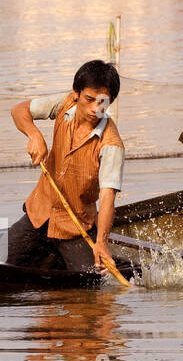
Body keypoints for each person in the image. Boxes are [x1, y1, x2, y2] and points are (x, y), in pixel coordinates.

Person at [7, 60, 125, 273]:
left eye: (102, 102)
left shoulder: (111, 144)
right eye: (89, 99)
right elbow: (18, 110)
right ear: (76, 94)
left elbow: (108, 197)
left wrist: (102, 243)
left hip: (75, 227)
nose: (94, 109)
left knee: (90, 281)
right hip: (39, 214)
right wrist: (34, 135)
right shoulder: (65, 104)